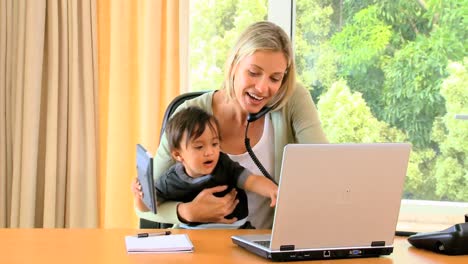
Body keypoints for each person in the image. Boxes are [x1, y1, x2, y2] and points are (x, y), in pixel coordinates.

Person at [132, 21, 328, 229]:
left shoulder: (292, 99)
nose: (262, 88)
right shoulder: (188, 114)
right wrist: (186, 212)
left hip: (266, 248)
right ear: (234, 65)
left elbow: (326, 167)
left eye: (275, 78)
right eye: (253, 73)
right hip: (199, 250)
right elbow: (144, 206)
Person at [134, 106, 278, 229]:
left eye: (215, 144)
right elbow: (148, 207)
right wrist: (140, 196)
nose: (210, 152)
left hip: (238, 231)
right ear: (178, 155)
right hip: (193, 237)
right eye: (199, 147)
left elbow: (250, 180)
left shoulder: (223, 163)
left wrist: (272, 190)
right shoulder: (170, 180)